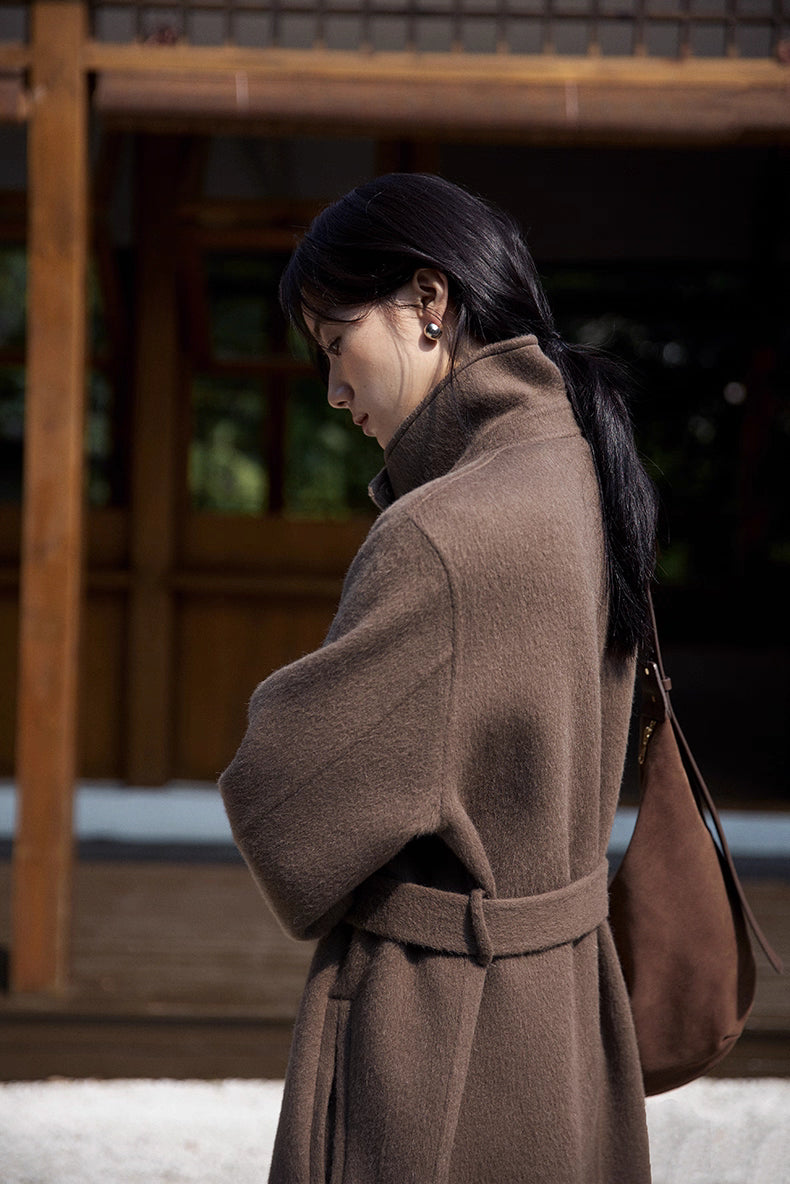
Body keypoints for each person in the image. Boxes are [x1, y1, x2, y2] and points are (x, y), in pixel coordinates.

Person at [219, 173, 658, 1184]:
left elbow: (282, 800)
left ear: (429, 302)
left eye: (336, 343)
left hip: (440, 1039)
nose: (332, 389)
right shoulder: (582, 468)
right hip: (564, 1016)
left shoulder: (445, 532)